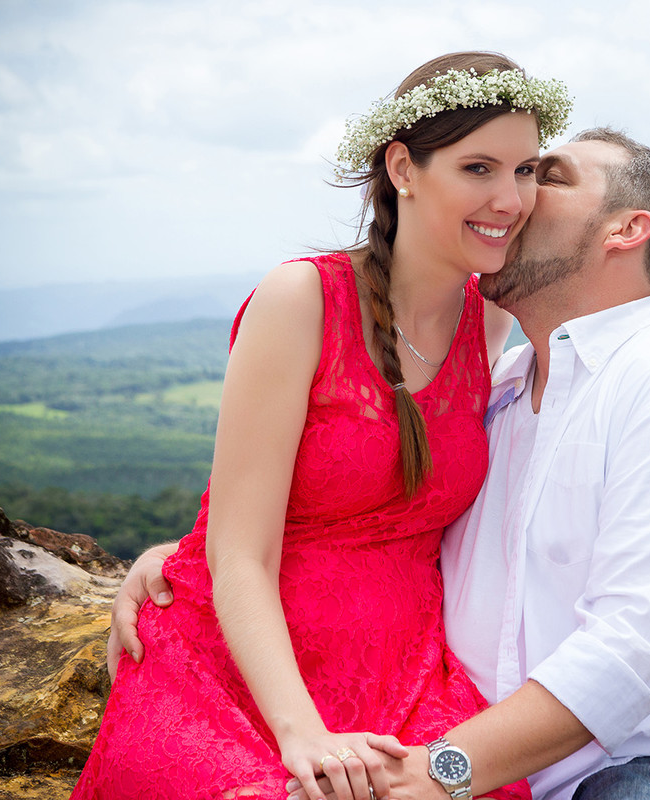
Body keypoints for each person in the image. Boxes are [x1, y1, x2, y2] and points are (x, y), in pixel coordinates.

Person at [118, 129, 650, 800]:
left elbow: (633, 650)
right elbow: (397, 529)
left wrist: (444, 768)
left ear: (626, 230)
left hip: (632, 768)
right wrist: (202, 554)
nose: (516, 198)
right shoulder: (506, 386)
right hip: (464, 747)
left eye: (548, 176)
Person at [71, 50, 570, 800]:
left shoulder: (491, 318)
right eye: (479, 169)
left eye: (527, 170)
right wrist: (299, 730)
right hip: (241, 676)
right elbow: (241, 551)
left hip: (404, 676)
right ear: (403, 167)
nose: (510, 197)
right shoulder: (302, 300)